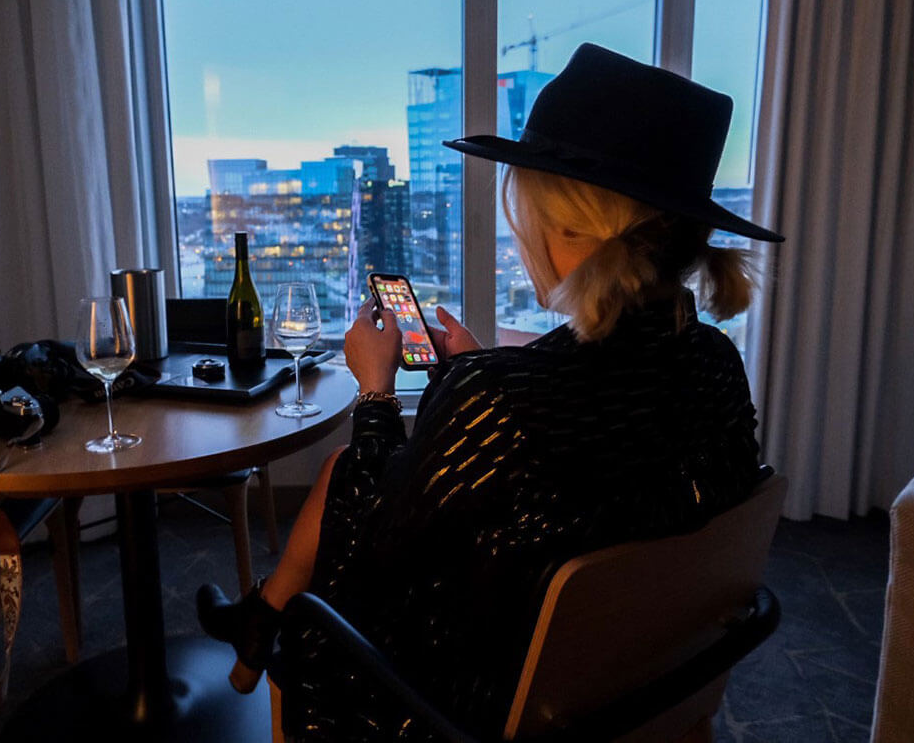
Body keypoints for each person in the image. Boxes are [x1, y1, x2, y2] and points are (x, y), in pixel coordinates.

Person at [197, 43, 784, 741]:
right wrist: (471, 381)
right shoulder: (715, 363)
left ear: (569, 226)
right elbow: (585, 477)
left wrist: (377, 392)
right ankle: (256, 622)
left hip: (474, 706)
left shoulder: (498, 398)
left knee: (341, 502)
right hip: (644, 685)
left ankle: (263, 622)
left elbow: (366, 562)